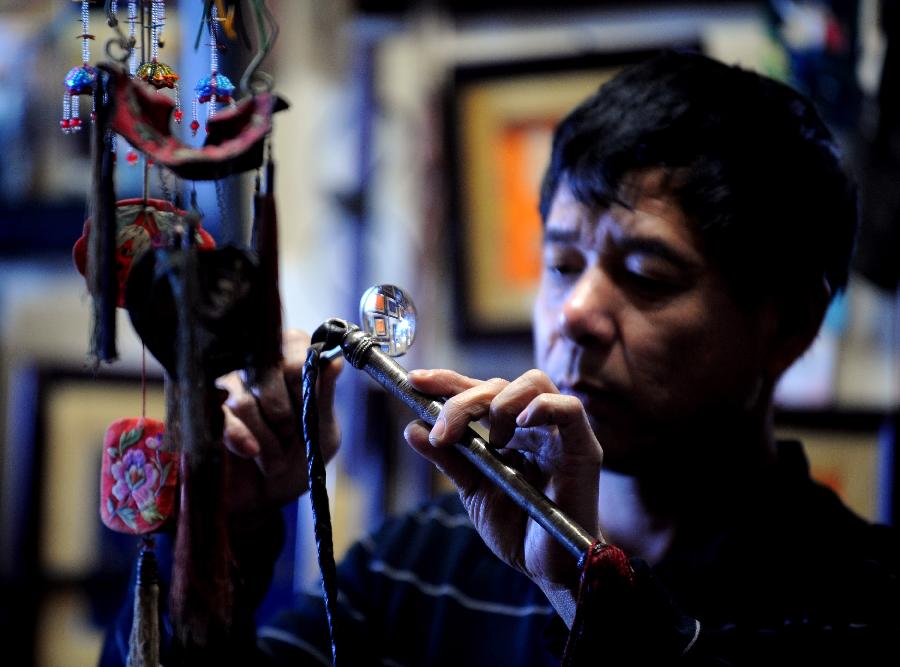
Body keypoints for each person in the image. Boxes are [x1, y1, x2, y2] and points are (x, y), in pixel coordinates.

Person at [100, 50, 899, 665]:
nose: (577, 313)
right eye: (559, 264)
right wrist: (217, 531)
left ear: (789, 326)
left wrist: (581, 586)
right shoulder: (420, 565)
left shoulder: (861, 600)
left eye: (648, 275)